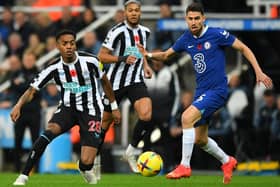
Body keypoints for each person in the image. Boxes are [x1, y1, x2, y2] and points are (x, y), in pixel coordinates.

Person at [138, 2, 273, 184]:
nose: (193, 22)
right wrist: (148, 55)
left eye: (196, 18)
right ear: (186, 19)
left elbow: (243, 48)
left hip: (217, 91)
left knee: (186, 118)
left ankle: (184, 166)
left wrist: (258, 71)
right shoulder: (186, 39)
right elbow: (166, 55)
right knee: (200, 140)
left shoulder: (216, 34)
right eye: (190, 18)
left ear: (203, 19)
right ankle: (227, 160)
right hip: (201, 91)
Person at [11, 29, 121, 185]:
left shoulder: (91, 61)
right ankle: (23, 176)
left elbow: (105, 82)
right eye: (65, 44)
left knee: (86, 161)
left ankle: (84, 167)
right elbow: (31, 90)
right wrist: (18, 105)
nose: (69, 46)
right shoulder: (53, 68)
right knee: (47, 133)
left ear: (75, 44)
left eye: (72, 43)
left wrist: (114, 106)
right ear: (58, 46)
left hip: (91, 111)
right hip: (68, 109)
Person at [97, 0, 153, 173]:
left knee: (146, 114)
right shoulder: (116, 31)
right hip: (115, 83)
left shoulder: (145, 32)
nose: (134, 13)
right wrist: (122, 58)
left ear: (140, 13)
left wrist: (146, 65)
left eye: (137, 10)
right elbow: (101, 56)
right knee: (104, 124)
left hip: (135, 80)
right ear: (125, 12)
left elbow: (141, 51)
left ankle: (130, 151)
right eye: (131, 10)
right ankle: (93, 160)